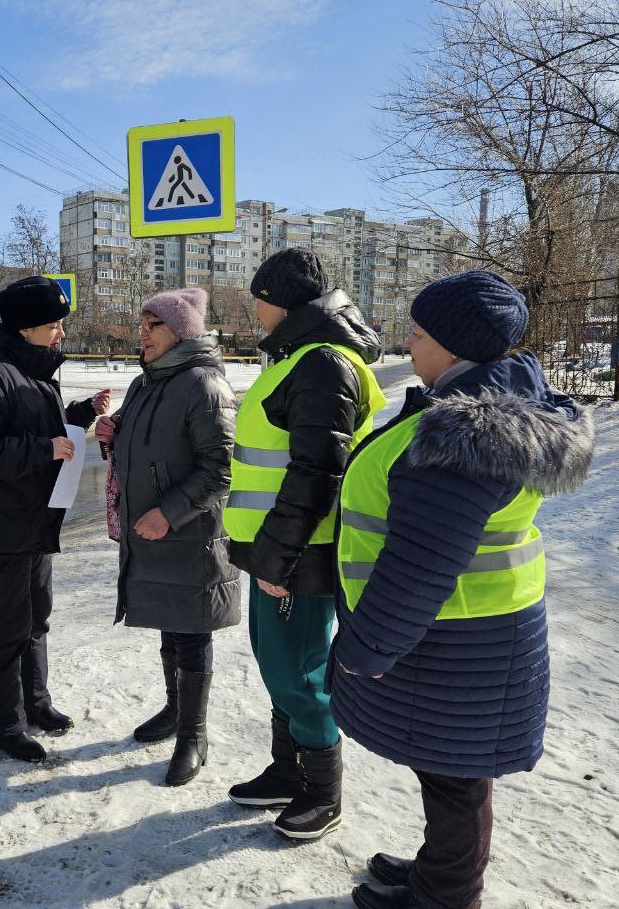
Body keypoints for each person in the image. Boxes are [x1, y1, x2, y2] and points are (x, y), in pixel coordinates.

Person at [330, 271, 595, 909]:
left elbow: (421, 561)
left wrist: (365, 648)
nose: (408, 344)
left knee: (455, 779)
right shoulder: (487, 407)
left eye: (417, 334)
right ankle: (439, 873)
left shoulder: (466, 436)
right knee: (450, 771)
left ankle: (445, 896)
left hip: (452, 639)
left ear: (451, 347)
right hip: (472, 634)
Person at [224, 249, 386, 840]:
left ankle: (323, 791)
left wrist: (277, 555)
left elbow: (318, 472)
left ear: (284, 301)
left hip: (301, 553)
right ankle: (287, 771)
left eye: (260, 296)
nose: (255, 307)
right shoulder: (300, 358)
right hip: (281, 550)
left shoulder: (321, 364)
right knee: (278, 665)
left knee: (301, 670)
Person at [0, 275, 110, 764]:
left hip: (36, 522)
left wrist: (82, 416)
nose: (60, 332)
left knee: (37, 619)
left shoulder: (31, 368)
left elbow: (42, 424)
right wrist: (45, 449)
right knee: (7, 627)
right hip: (3, 529)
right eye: (52, 324)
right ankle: (5, 725)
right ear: (24, 329)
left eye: (60, 322)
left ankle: (36, 705)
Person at [95, 288, 239, 787]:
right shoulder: (143, 383)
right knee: (167, 624)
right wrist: (113, 436)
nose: (142, 331)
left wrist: (168, 513)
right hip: (150, 532)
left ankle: (193, 736)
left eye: (152, 324)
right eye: (142, 322)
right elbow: (142, 450)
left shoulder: (204, 385)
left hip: (190, 534)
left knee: (191, 630)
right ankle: (176, 711)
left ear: (180, 332)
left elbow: (222, 468)